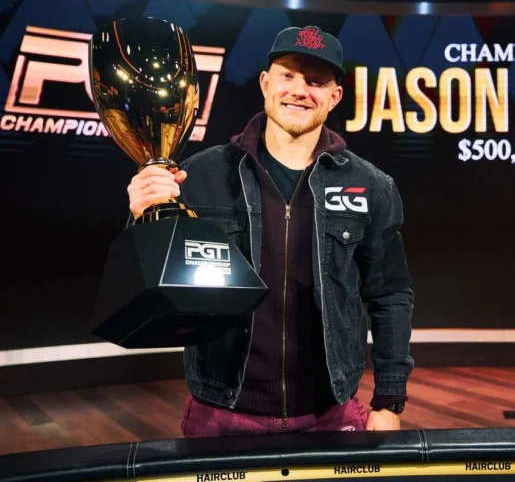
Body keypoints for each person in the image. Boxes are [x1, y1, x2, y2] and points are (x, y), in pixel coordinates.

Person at [126, 26, 414, 436]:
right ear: (265, 83)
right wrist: (141, 217)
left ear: (334, 97)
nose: (299, 90)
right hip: (221, 412)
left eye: (316, 81)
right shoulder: (200, 174)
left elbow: (390, 295)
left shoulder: (371, 185)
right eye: (288, 75)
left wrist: (389, 399)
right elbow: (143, 285)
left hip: (329, 414)